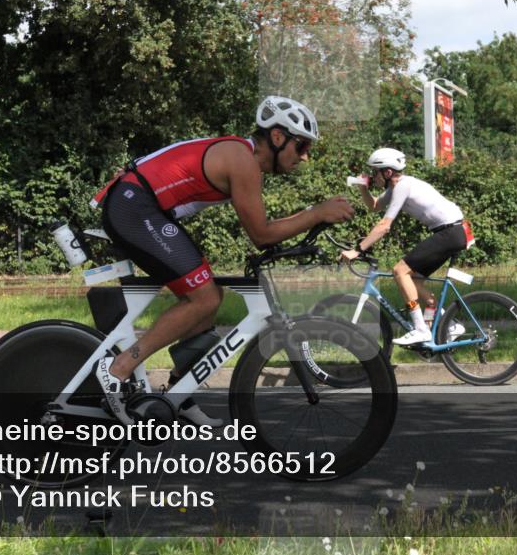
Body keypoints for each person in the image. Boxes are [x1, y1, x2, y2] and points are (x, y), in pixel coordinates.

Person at [92, 96, 354, 425]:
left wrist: (314, 217)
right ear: (277, 137)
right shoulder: (242, 161)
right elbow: (261, 234)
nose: (304, 156)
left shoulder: (240, 155)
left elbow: (264, 230)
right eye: (301, 146)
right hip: (134, 207)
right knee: (203, 298)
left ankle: (179, 393)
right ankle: (118, 369)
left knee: (209, 299)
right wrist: (316, 212)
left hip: (142, 207)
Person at [340, 148, 474, 346]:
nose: (372, 176)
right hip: (452, 232)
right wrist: (363, 189)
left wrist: (358, 250)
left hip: (450, 232)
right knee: (414, 280)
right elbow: (375, 205)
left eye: (375, 172)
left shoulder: (403, 186)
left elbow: (384, 226)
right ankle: (451, 325)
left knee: (400, 271)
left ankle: (421, 330)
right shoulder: (396, 188)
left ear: (387, 172)